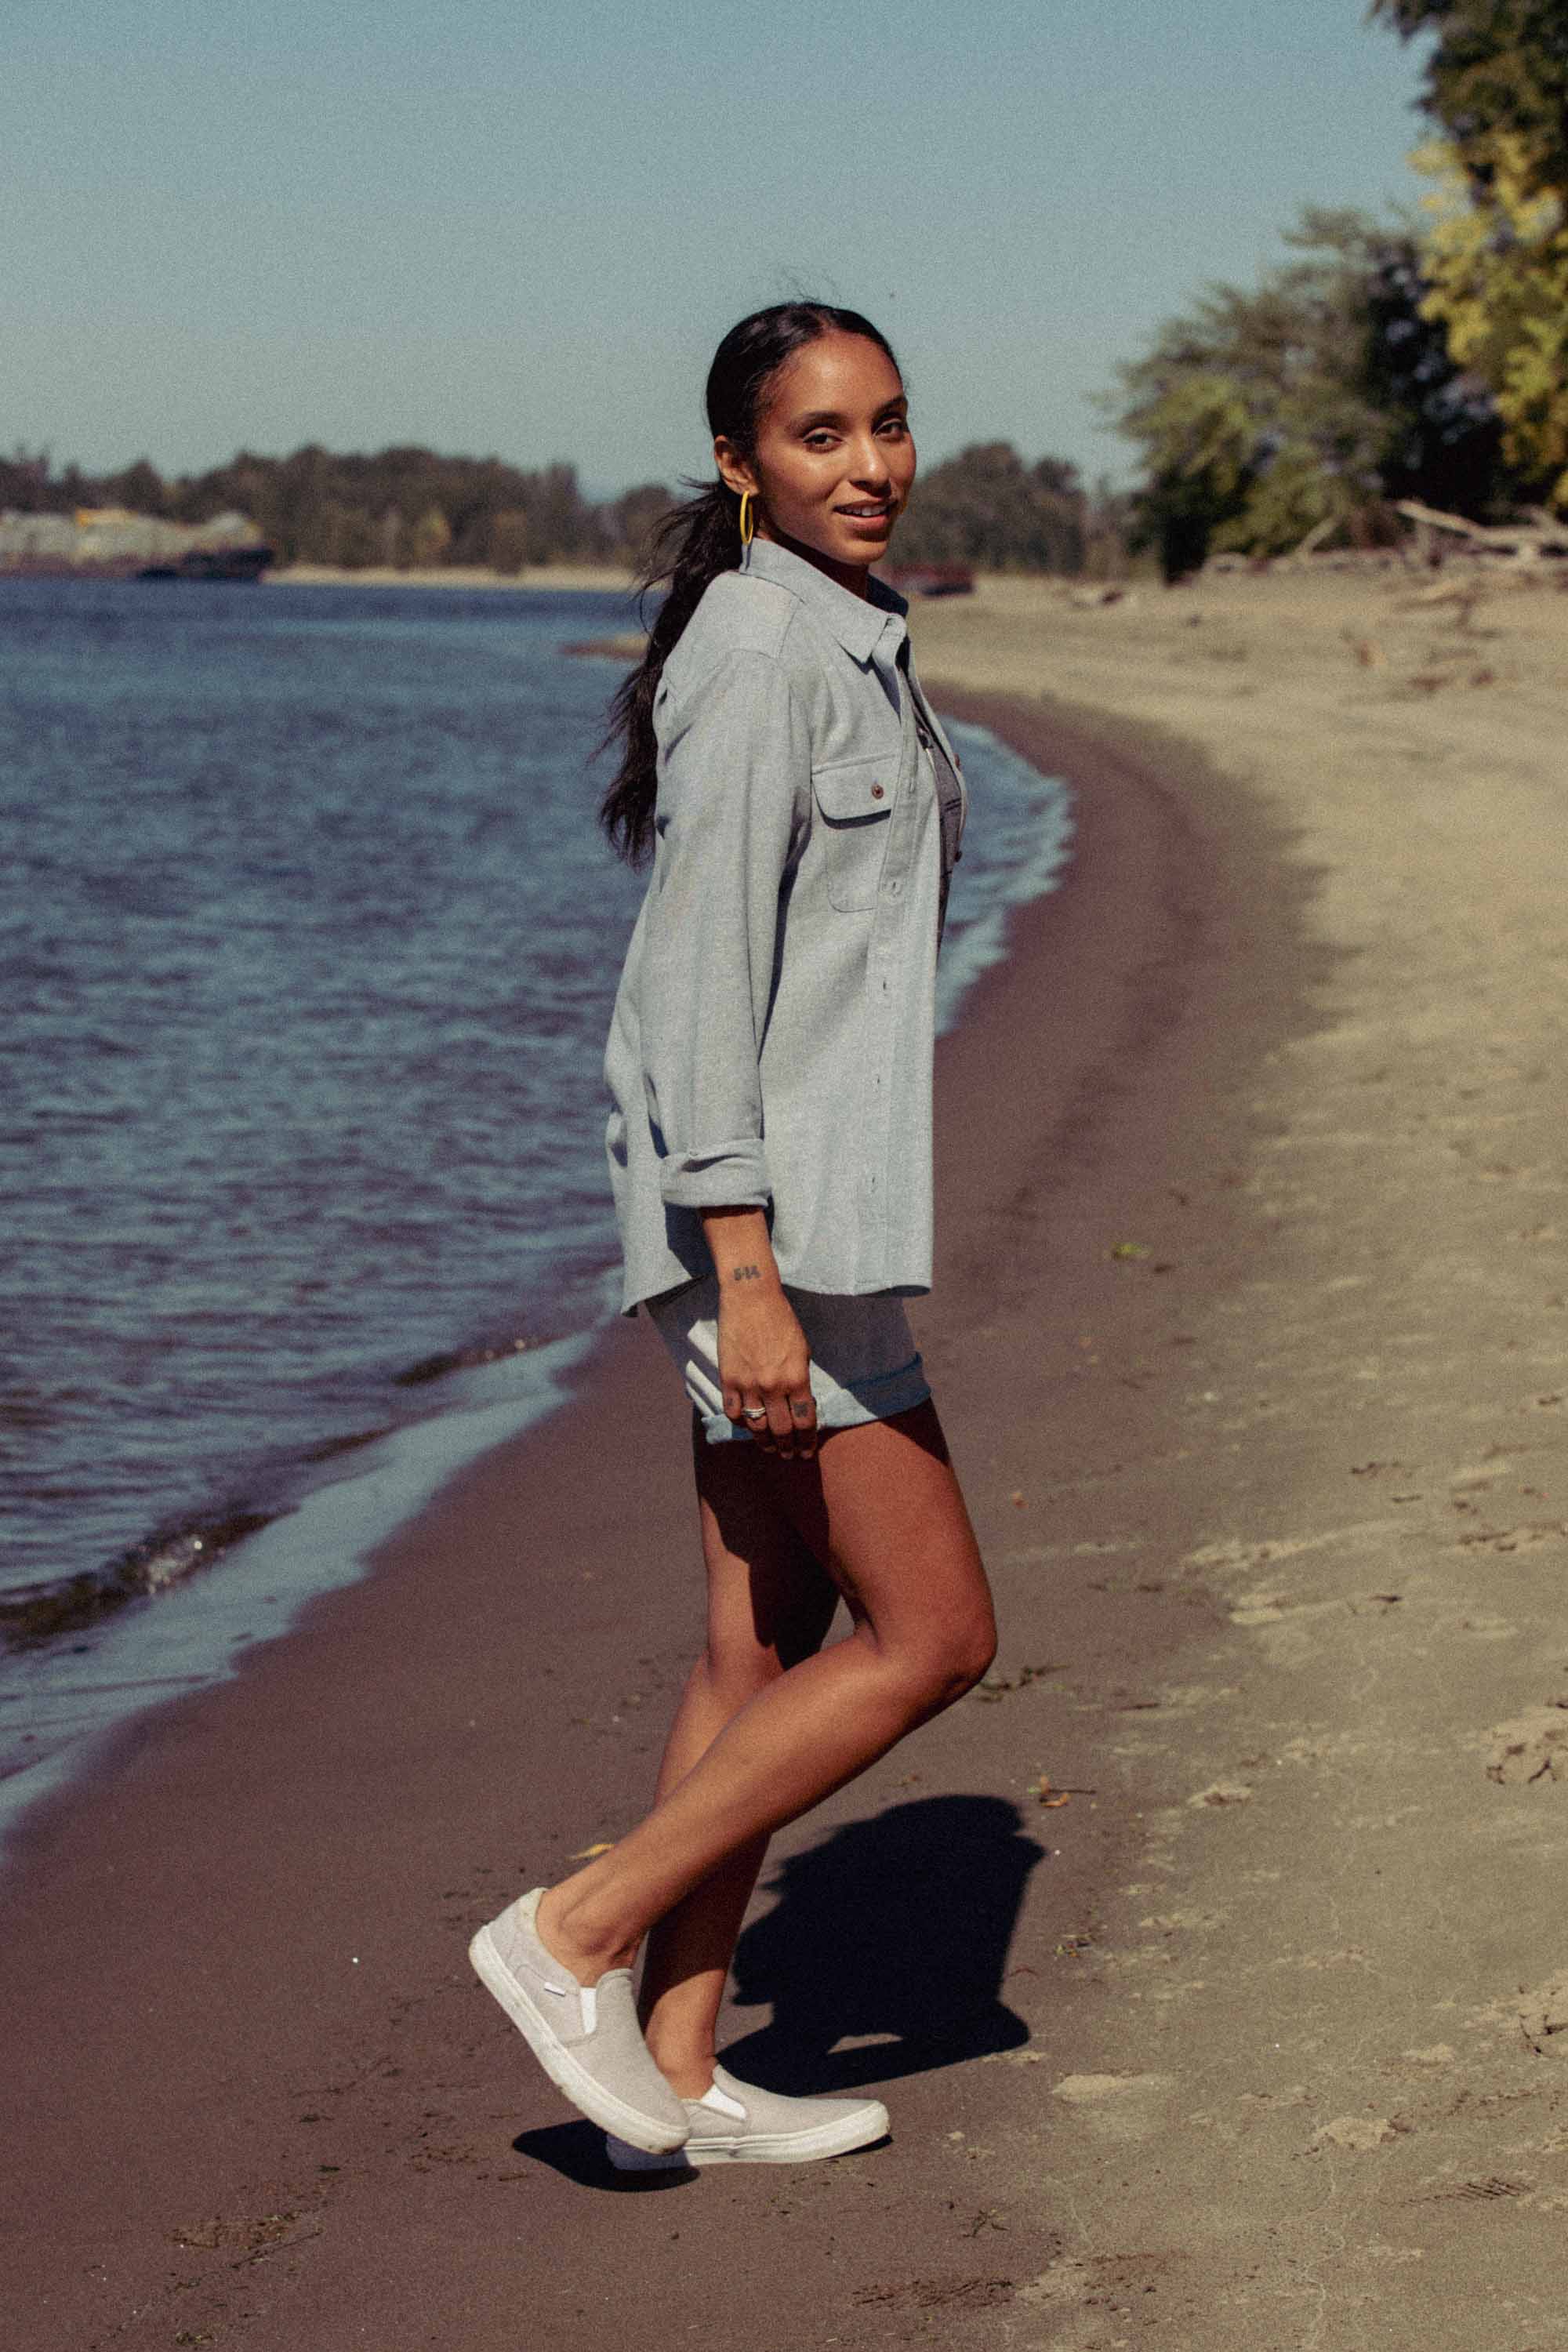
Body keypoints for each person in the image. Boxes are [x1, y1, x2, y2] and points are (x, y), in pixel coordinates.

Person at [470, 301, 997, 2169]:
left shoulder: (848, 636)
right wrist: (750, 1277)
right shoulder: (765, 652)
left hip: (801, 1220)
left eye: (888, 425)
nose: (869, 465)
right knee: (934, 1633)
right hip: (771, 1241)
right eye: (819, 435)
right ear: (739, 463)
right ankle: (571, 1934)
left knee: (755, 1643)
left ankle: (677, 2079)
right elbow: (696, 987)